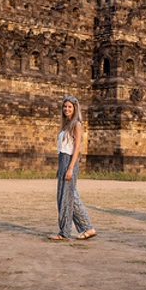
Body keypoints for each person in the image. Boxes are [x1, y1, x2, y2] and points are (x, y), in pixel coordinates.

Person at [48, 95, 96, 241]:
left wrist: (70, 168)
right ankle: (88, 228)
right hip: (63, 159)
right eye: (65, 106)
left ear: (75, 108)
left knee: (65, 198)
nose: (66, 109)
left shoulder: (76, 124)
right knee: (71, 197)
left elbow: (76, 149)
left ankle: (64, 232)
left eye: (69, 107)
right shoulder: (66, 124)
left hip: (70, 161)